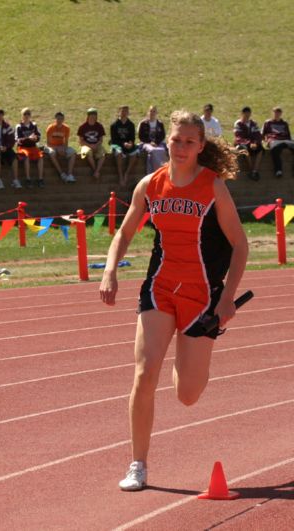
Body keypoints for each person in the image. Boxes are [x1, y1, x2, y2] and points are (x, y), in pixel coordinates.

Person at [100, 110, 248, 492]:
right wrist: (110, 271)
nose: (180, 147)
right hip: (160, 289)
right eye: (175, 140)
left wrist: (228, 297)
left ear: (201, 146)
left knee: (187, 395)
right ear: (166, 141)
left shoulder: (213, 187)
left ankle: (188, 353)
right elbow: (125, 231)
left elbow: (240, 245)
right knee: (144, 372)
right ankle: (138, 464)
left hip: (202, 297)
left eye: (189, 141)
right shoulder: (150, 184)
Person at [110, 105, 141, 188]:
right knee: (118, 153)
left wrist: (130, 143)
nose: (124, 113)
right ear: (119, 112)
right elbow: (114, 139)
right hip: (118, 144)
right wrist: (123, 144)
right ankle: (120, 175)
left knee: (134, 153)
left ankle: (127, 173)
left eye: (126, 111)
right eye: (122, 111)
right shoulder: (114, 125)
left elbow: (132, 137)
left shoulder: (131, 125)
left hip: (128, 145)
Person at [15, 108, 45, 188]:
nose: (27, 116)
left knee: (41, 157)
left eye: (28, 114)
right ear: (22, 116)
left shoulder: (34, 125)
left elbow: (38, 136)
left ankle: (40, 179)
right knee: (26, 157)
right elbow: (18, 140)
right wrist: (28, 138)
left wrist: (35, 138)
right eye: (25, 114)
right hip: (23, 147)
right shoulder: (19, 126)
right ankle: (28, 179)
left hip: (32, 146)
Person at [44, 111, 77, 183]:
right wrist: (57, 148)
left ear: (63, 119)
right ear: (55, 119)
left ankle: (70, 174)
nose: (59, 120)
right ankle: (61, 173)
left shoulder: (66, 128)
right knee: (52, 153)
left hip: (61, 146)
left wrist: (64, 148)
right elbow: (48, 143)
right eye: (58, 118)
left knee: (73, 153)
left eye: (61, 119)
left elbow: (66, 142)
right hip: (51, 146)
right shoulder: (50, 128)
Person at [262, 107, 294, 178]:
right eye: (275, 112)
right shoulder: (268, 122)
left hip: (285, 140)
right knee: (275, 149)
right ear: (272, 113)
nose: (277, 114)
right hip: (274, 140)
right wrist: (266, 141)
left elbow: (288, 135)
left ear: (281, 113)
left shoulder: (284, 123)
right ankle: (278, 170)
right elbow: (263, 134)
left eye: (278, 112)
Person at [233, 106, 263, 181]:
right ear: (242, 114)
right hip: (242, 143)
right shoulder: (238, 124)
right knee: (245, 150)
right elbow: (238, 137)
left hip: (252, 143)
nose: (247, 116)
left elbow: (258, 135)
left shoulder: (254, 124)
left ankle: (255, 170)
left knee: (261, 149)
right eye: (245, 114)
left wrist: (255, 143)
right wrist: (249, 143)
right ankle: (250, 169)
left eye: (248, 114)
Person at [77, 108, 107, 180]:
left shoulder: (99, 126)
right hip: (86, 145)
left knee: (103, 154)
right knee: (88, 153)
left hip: (97, 144)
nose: (93, 117)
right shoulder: (82, 127)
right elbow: (81, 141)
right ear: (88, 116)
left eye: (94, 116)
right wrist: (90, 146)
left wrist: (96, 145)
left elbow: (101, 140)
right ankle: (95, 170)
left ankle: (97, 171)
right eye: (91, 116)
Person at [138, 105, 169, 174]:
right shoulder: (143, 123)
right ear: (148, 112)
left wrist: (156, 142)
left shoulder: (160, 124)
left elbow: (162, 135)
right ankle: (154, 171)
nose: (152, 113)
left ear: (156, 113)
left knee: (162, 150)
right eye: (150, 111)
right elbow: (141, 136)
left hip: (158, 143)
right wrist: (150, 142)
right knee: (152, 150)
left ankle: (162, 169)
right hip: (146, 143)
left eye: (154, 111)